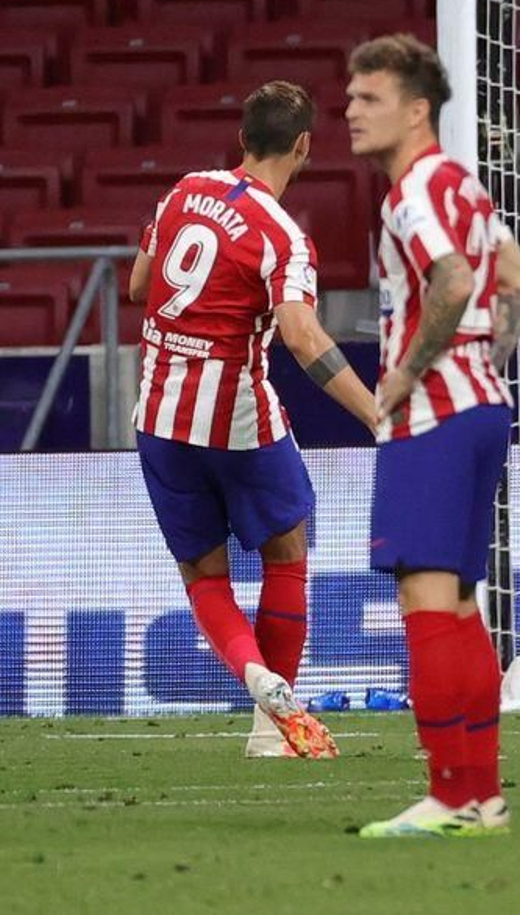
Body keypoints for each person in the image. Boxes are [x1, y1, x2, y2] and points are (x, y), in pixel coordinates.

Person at [130, 80, 376, 760]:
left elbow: (136, 285)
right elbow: (301, 335)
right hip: (238, 420)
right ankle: (274, 723)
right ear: (303, 146)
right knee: (287, 549)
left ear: (242, 138)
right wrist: (375, 412)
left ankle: (252, 672)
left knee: (203, 573)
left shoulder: (182, 191)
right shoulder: (284, 236)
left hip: (157, 415)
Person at [345, 34, 520, 838]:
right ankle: (483, 795)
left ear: (417, 108)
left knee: (425, 603)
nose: (351, 112)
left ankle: (450, 794)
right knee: (461, 605)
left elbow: (454, 282)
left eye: (370, 98)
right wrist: (481, 361)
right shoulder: (464, 183)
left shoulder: (410, 194)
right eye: (351, 97)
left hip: (432, 414)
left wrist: (406, 374)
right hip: (483, 406)